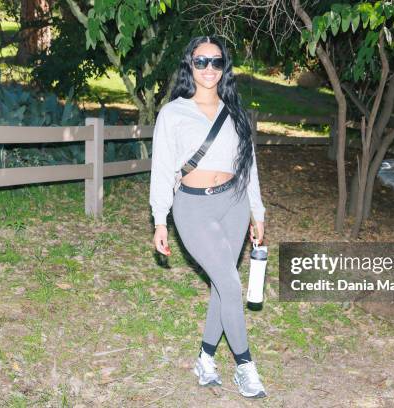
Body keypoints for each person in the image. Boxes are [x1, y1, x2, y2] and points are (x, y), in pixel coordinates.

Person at [149, 35, 267, 399]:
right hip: (193, 206)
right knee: (231, 285)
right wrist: (159, 219)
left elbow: (249, 168)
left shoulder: (236, 113)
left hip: (233, 204)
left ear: (224, 67)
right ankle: (245, 365)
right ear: (190, 65)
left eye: (216, 62)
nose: (209, 69)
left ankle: (205, 358)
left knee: (223, 283)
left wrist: (257, 211)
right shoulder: (173, 113)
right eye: (201, 62)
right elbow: (162, 169)